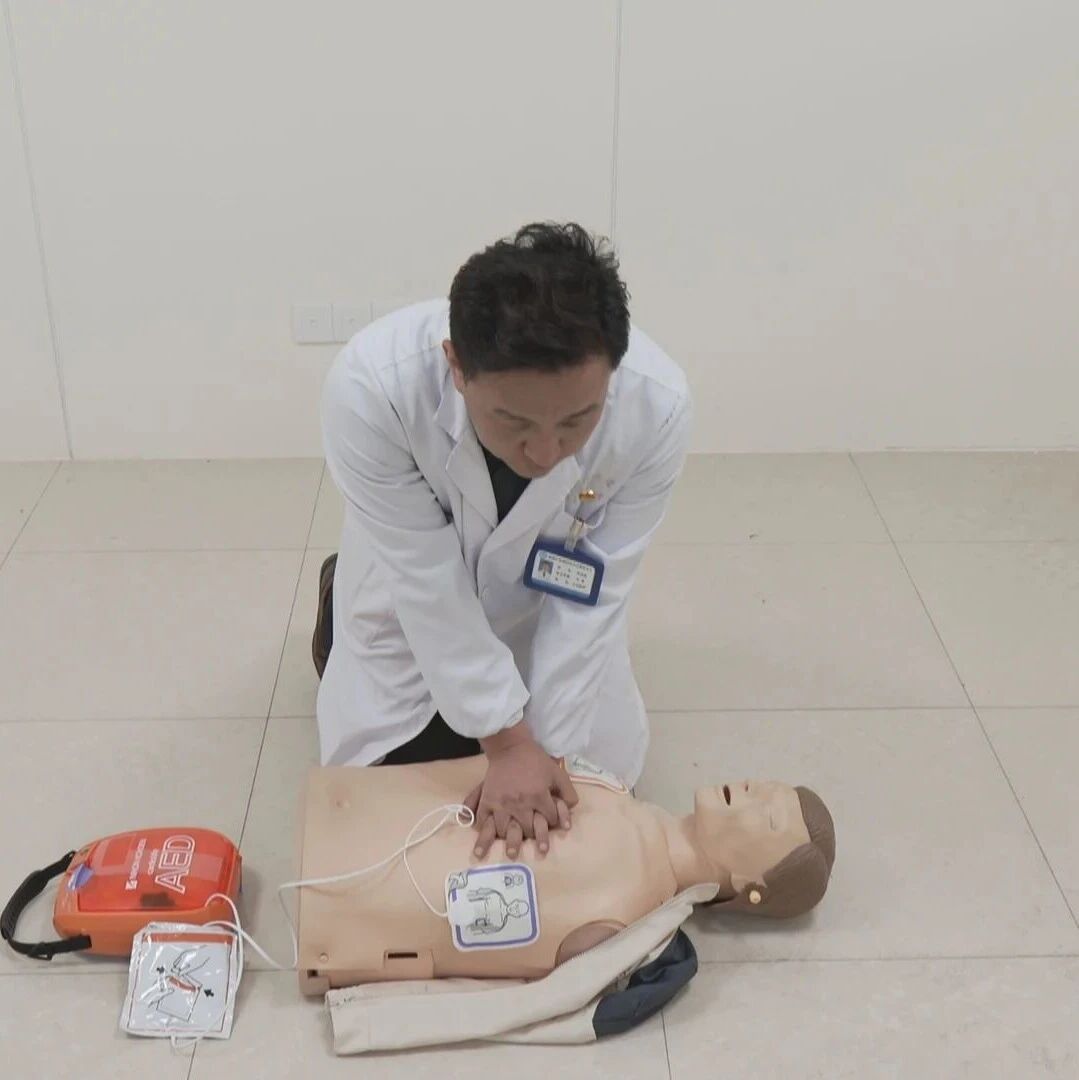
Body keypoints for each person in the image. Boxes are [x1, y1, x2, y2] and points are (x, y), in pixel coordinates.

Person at [315, 222, 692, 858]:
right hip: (412, 594)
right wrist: (510, 744)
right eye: (512, 421)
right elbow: (426, 579)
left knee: (597, 789)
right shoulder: (373, 389)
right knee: (387, 801)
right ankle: (334, 604)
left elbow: (597, 591)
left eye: (578, 420)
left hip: (538, 601)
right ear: (457, 367)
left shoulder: (657, 408)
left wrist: (547, 750)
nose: (545, 452)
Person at [297, 754, 836, 991]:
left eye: (768, 817)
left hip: (336, 905)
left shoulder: (630, 908)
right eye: (767, 786)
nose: (752, 789)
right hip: (355, 805)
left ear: (750, 888)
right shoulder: (618, 791)